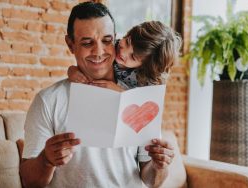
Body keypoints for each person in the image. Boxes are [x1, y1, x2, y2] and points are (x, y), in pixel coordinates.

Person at [20, 2, 174, 188]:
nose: (99, 52)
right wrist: (46, 160)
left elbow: (151, 181)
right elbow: (30, 183)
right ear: (71, 44)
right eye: (87, 43)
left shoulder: (139, 96)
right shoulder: (48, 100)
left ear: (115, 38)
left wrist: (159, 165)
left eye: (107, 40)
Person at [67, 20, 182, 91]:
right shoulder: (111, 47)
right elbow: (88, 65)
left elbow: (145, 108)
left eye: (133, 57)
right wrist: (72, 71)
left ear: (144, 66)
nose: (123, 52)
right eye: (127, 42)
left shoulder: (149, 81)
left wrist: (119, 92)